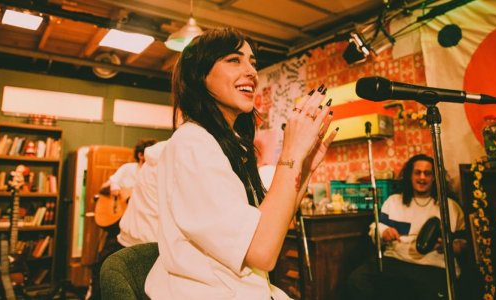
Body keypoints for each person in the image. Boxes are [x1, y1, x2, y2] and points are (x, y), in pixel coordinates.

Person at [144, 27, 337, 299]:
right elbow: (262, 251)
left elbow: (268, 228)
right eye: (234, 60)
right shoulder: (192, 144)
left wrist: (304, 167)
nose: (252, 72)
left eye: (252, 62)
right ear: (200, 75)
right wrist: (289, 155)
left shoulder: (227, 145)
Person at [347, 154, 466, 300]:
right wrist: (384, 232)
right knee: (357, 279)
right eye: (417, 172)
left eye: (427, 173)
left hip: (434, 266)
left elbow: (464, 243)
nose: (422, 178)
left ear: (434, 177)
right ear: (410, 175)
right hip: (395, 261)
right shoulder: (393, 202)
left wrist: (451, 246)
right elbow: (376, 228)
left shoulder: (450, 207)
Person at [88, 138, 157, 300]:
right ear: (141, 155)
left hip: (141, 233)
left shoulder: (155, 174)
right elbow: (105, 187)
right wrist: (114, 187)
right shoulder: (128, 169)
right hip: (118, 225)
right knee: (104, 263)